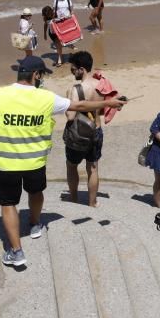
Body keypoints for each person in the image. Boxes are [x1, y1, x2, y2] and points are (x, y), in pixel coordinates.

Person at [0, 55, 127, 267]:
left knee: (9, 204)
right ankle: (35, 224)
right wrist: (108, 102)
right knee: (36, 193)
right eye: (41, 75)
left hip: (6, 162)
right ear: (36, 75)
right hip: (34, 161)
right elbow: (80, 105)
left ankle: (16, 251)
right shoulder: (46, 98)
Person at [64, 51, 109, 207]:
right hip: (96, 130)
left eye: (73, 69)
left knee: (71, 165)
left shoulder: (76, 89)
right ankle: (92, 202)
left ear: (81, 69)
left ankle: (74, 199)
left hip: (78, 134)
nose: (72, 72)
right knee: (93, 168)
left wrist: (66, 104)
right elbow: (103, 110)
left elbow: (70, 116)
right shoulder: (101, 86)